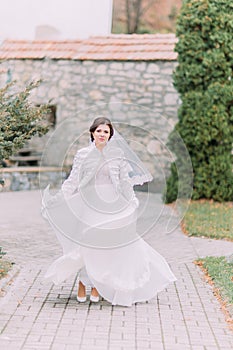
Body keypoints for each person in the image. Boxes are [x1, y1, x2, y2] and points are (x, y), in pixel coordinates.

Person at [41, 117, 177, 306]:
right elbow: (72, 180)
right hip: (88, 204)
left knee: (105, 247)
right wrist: (59, 198)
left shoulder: (117, 155)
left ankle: (97, 286)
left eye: (106, 132)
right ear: (92, 133)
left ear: (110, 135)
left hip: (111, 205)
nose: (102, 134)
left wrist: (131, 199)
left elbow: (123, 181)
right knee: (86, 244)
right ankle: (82, 284)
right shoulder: (82, 154)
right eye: (99, 131)